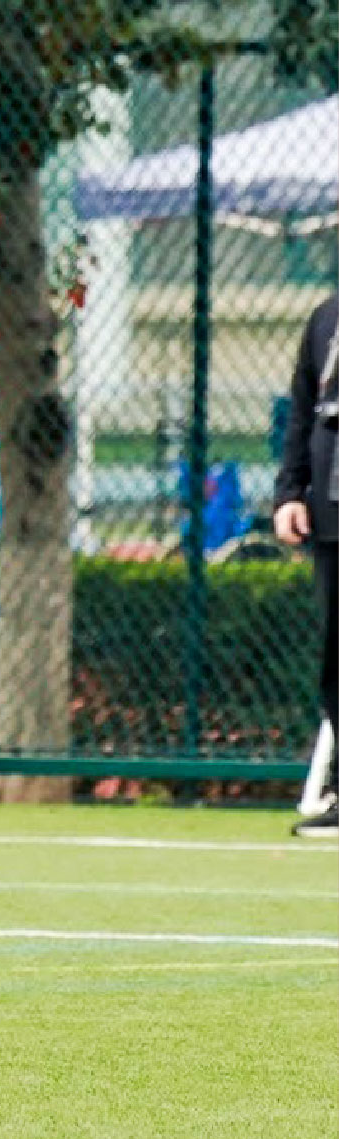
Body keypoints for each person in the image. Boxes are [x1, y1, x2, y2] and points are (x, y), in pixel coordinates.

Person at [274, 288, 339, 837]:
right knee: (335, 660)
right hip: (332, 514)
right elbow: (301, 413)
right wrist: (290, 493)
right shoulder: (326, 317)